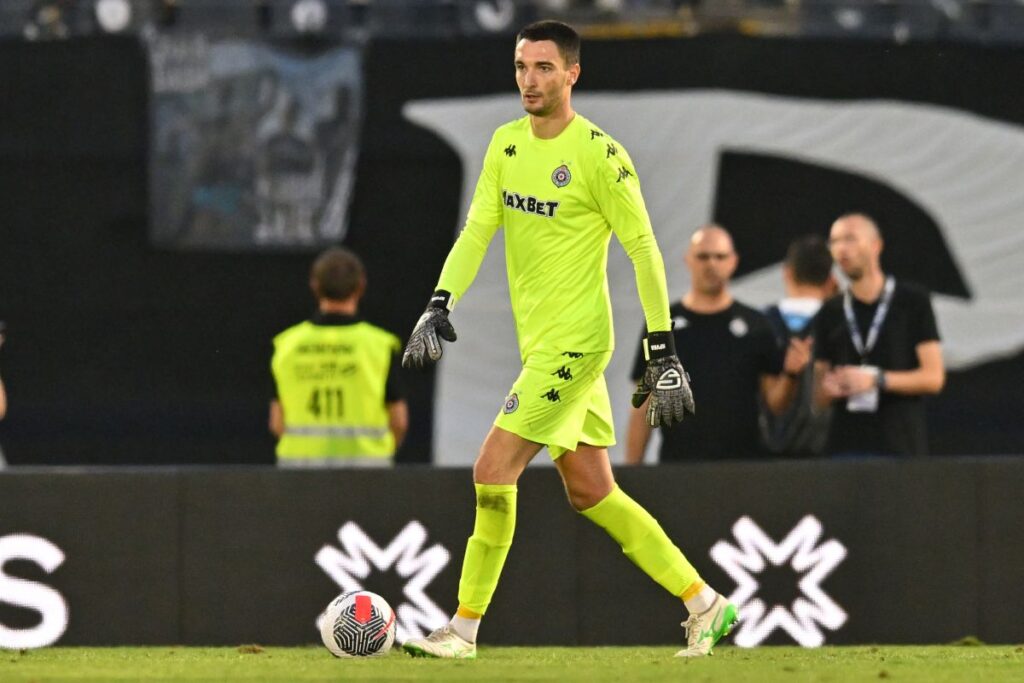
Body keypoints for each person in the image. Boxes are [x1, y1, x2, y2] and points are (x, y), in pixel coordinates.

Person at [400, 21, 736, 659]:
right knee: (592, 491)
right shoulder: (505, 146)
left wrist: (662, 346)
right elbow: (476, 232)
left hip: (576, 344)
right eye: (522, 66)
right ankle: (705, 604)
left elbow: (643, 250)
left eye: (544, 68)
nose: (530, 79)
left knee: (491, 471)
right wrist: (440, 301)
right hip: (543, 344)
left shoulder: (600, 156)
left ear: (572, 74)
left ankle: (463, 629)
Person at [625, 225, 811, 463]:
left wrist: (791, 375)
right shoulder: (662, 325)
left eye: (719, 256)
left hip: (741, 468)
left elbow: (776, 404)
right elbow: (644, 404)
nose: (711, 264)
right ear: (688, 260)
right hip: (678, 467)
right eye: (703, 256)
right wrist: (632, 471)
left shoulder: (757, 325)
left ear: (733, 262)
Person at [814, 213, 945, 456]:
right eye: (834, 241)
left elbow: (934, 378)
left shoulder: (912, 301)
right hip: (845, 448)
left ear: (876, 246)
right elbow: (819, 397)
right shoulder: (829, 311)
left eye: (850, 239)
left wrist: (876, 380)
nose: (841, 249)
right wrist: (829, 389)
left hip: (901, 448)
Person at [269, 247, 407, 466]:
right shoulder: (379, 345)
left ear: (315, 286)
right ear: (361, 286)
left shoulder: (287, 345)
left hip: (299, 474)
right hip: (366, 472)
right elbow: (398, 420)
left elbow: (277, 422)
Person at [759, 235, 837, 457]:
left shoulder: (761, 323)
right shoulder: (840, 322)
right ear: (830, 280)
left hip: (766, 459)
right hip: (828, 457)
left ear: (787, 273)